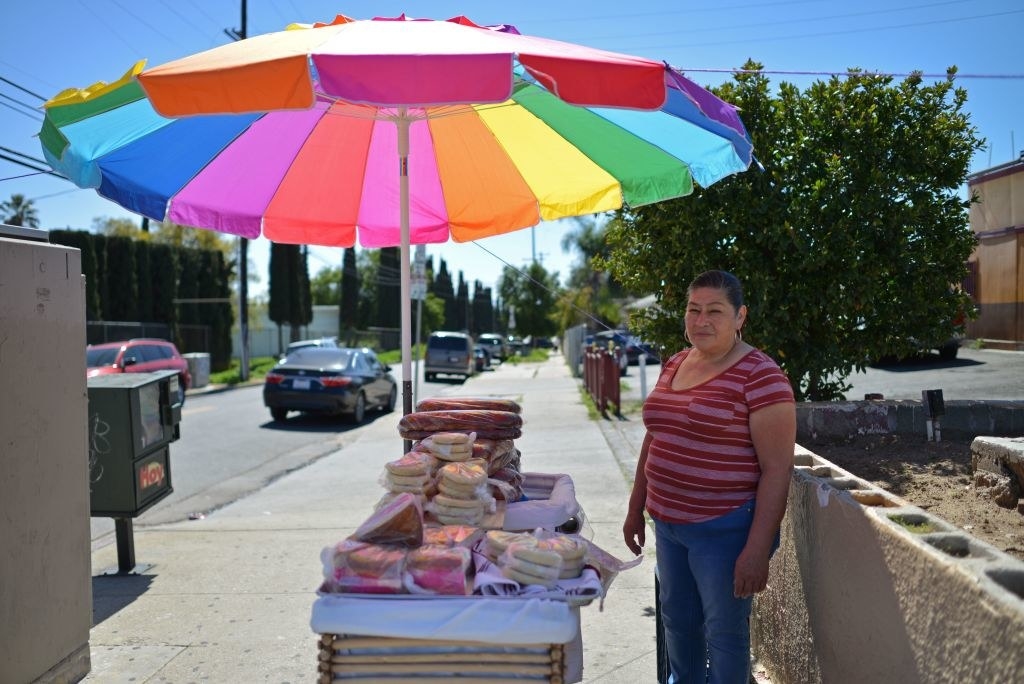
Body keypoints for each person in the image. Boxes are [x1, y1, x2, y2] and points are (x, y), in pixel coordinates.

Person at [622, 269, 796, 684]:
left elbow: (777, 469)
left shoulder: (762, 376)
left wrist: (755, 550)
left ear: (740, 317)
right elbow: (655, 437)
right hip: (668, 525)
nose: (700, 320)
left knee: (723, 634)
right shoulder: (677, 362)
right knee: (677, 623)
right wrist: (635, 508)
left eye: (714, 311)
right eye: (693, 309)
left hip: (724, 530)